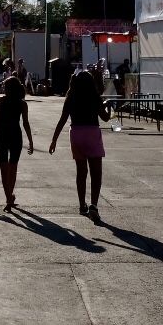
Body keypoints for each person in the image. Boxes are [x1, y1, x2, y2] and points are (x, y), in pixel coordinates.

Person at [48, 66, 107, 219]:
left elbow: (62, 120)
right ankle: (94, 205)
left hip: (76, 134)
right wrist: (108, 106)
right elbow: (106, 118)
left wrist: (54, 140)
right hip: (92, 132)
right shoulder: (95, 97)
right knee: (96, 172)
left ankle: (82, 204)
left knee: (81, 172)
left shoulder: (71, 97)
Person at [0, 75, 34, 211]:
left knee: (4, 169)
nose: (3, 88)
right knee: (13, 168)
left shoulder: (0, 102)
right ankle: (9, 196)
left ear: (8, 88)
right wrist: (30, 141)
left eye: (4, 86)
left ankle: (8, 198)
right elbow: (26, 123)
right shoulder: (22, 103)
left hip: (2, 136)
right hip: (16, 136)